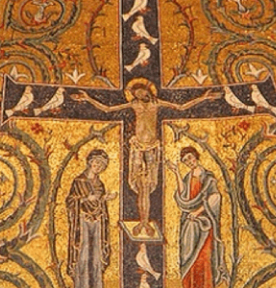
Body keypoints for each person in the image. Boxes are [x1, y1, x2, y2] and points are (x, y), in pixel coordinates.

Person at [73, 79, 220, 237]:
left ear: (147, 91)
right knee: (140, 186)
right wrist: (87, 98)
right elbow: (108, 109)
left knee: (147, 187)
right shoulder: (134, 104)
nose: (140, 96)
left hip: (151, 148)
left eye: (141, 93)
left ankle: (145, 222)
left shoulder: (156, 103)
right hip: (137, 147)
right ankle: (143, 222)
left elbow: (181, 107)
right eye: (136, 94)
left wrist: (204, 97)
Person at [167, 146, 227, 288]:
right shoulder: (187, 177)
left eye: (190, 158)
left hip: (205, 225)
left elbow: (215, 198)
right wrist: (176, 173)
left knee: (205, 260)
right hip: (188, 225)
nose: (189, 162)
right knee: (188, 261)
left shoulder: (208, 177)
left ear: (196, 156)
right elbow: (183, 198)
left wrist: (198, 211)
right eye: (185, 160)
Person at [66, 149, 116, 288]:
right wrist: (86, 199)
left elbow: (99, 202)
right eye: (96, 163)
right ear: (89, 162)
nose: (98, 166)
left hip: (97, 223)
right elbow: (70, 201)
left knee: (96, 260)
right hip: (83, 223)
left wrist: (104, 199)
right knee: (84, 259)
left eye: (101, 165)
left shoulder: (100, 184)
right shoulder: (79, 181)